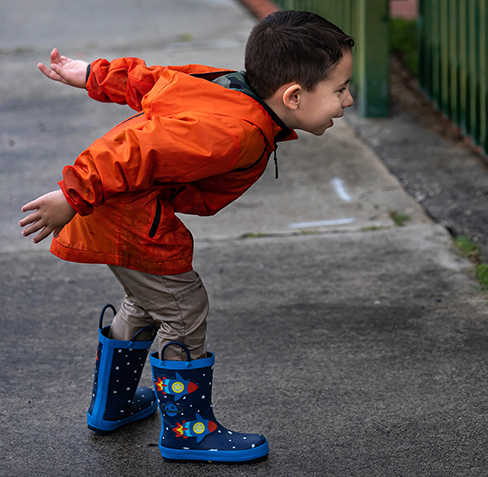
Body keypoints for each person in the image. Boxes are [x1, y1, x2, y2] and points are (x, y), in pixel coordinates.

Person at [18, 10, 354, 463]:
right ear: (293, 95)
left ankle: (110, 407)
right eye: (339, 90)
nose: (347, 100)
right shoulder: (236, 132)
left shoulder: (226, 86)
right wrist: (70, 194)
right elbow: (136, 149)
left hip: (128, 210)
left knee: (149, 302)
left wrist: (93, 75)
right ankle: (188, 431)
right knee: (183, 307)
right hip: (126, 215)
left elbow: (155, 81)